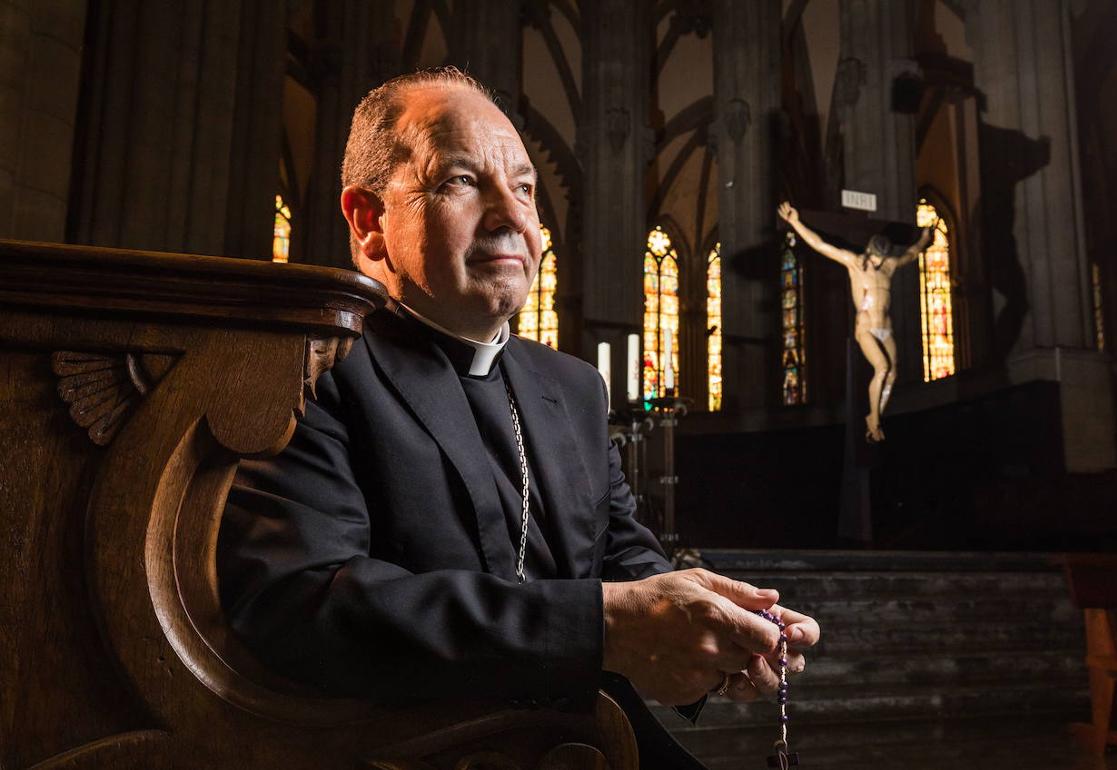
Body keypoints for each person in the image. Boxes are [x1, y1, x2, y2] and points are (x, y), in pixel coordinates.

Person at [218, 68, 819, 766]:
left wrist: (714, 624)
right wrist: (606, 628)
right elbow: (307, 606)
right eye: (461, 182)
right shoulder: (308, 370)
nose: (514, 217)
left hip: (589, 737)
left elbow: (624, 554)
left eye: (526, 189)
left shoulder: (573, 387)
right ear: (369, 222)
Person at [778, 201, 932, 442]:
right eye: (876, 258)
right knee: (881, 368)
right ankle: (875, 421)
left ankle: (873, 418)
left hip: (885, 328)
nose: (879, 263)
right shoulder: (855, 263)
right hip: (866, 328)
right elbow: (821, 245)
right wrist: (795, 222)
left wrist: (924, 237)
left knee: (892, 375)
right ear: (869, 252)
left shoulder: (889, 266)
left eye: (882, 259)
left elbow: (911, 254)